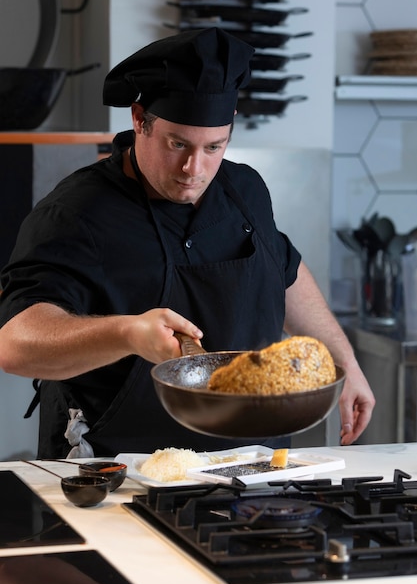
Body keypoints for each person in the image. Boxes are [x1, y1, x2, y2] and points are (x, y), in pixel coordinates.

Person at [0, 28, 375, 459]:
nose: (193, 168)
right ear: (140, 119)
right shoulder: (75, 213)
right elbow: (14, 344)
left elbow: (284, 274)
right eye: (177, 143)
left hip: (250, 461)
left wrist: (346, 364)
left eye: (214, 146)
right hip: (118, 470)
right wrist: (126, 333)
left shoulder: (244, 189)